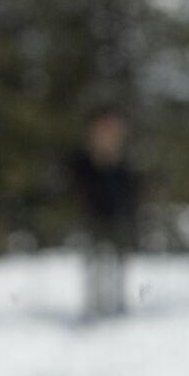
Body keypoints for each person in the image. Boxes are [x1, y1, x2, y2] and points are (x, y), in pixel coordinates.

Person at [69, 105, 140, 320]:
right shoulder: (88, 158)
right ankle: (94, 304)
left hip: (117, 215)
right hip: (95, 214)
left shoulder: (122, 158)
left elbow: (131, 186)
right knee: (93, 262)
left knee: (118, 261)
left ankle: (117, 303)